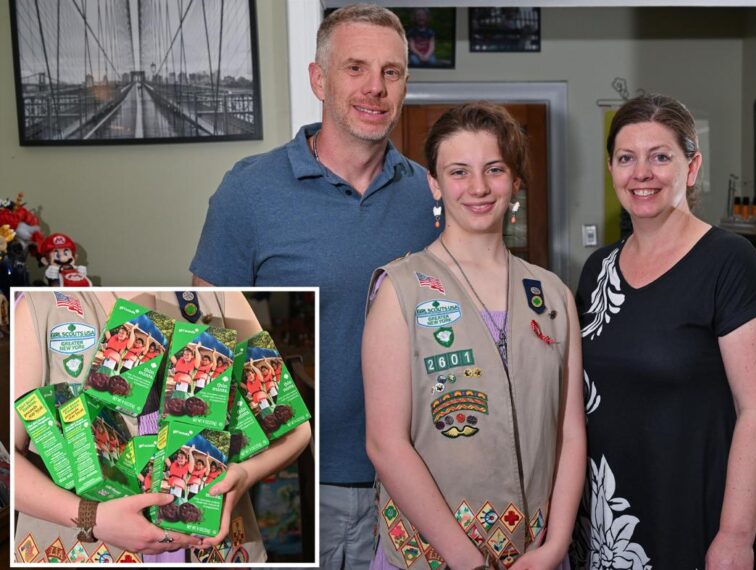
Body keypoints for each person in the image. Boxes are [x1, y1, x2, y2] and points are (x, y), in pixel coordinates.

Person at [189, 5, 438, 566]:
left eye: (391, 72)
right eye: (355, 68)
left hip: (411, 482)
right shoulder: (249, 192)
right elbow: (205, 340)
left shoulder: (430, 196)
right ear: (318, 79)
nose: (375, 88)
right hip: (286, 484)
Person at [362, 102, 586, 569]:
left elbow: (569, 431)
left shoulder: (553, 296)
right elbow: (385, 443)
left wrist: (556, 546)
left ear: (515, 181)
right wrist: (465, 558)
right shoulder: (401, 290)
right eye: (459, 171)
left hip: (536, 557)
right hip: (434, 557)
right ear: (435, 184)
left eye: (494, 169)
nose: (479, 187)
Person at [570, 93, 756, 569]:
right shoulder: (596, 270)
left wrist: (734, 536)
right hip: (612, 518)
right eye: (627, 158)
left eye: (660, 156)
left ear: (692, 167)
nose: (641, 173)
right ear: (612, 169)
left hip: (698, 513)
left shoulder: (729, 261)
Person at [13, 290, 312, 563]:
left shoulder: (218, 296)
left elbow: (296, 428)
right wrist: (91, 516)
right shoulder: (43, 306)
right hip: (82, 547)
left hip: (211, 544)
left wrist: (246, 474)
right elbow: (7, 461)